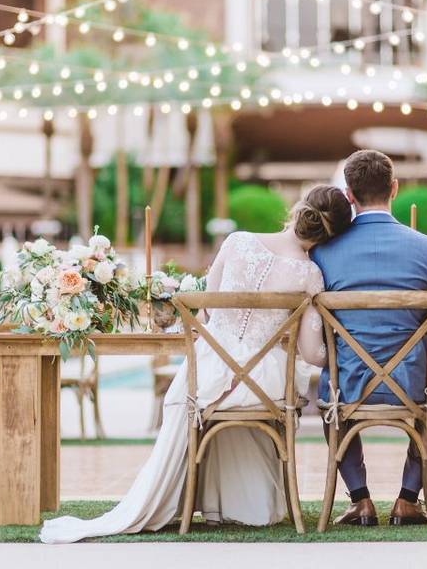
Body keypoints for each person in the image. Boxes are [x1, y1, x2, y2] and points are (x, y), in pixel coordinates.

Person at [39, 185, 353, 543]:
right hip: (266, 386)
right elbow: (313, 355)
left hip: (208, 376)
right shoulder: (309, 275)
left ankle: (183, 501)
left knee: (202, 382)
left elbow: (206, 311)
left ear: (298, 209)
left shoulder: (237, 242)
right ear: (332, 236)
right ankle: (241, 502)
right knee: (273, 373)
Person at [310, 149, 427, 527]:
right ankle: (409, 498)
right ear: (394, 188)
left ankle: (360, 499)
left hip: (348, 389)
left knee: (327, 398)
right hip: (413, 387)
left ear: (349, 195)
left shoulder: (323, 253)